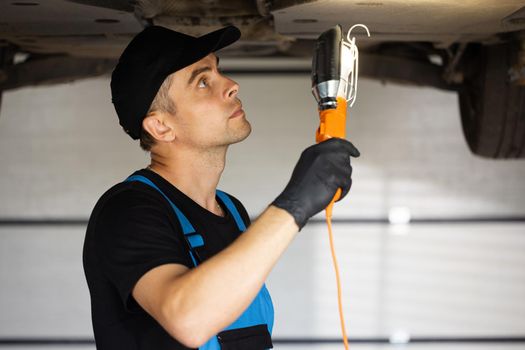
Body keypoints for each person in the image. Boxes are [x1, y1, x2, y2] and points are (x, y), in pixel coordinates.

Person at [82, 25, 360, 350]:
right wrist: (294, 205)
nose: (231, 85)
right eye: (203, 81)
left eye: (219, 70)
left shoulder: (233, 211)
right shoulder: (127, 211)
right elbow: (187, 318)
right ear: (161, 126)